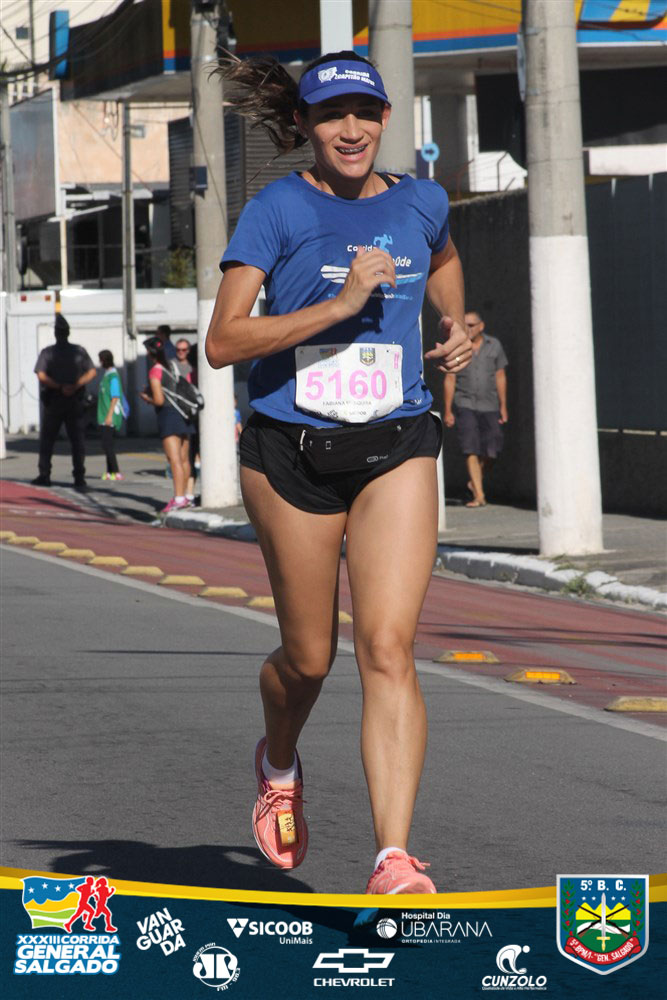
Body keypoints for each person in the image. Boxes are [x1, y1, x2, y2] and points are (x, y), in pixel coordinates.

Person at [206, 51, 472, 894]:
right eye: (330, 116)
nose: (349, 129)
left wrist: (456, 322)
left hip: (396, 440)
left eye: (363, 112)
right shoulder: (276, 209)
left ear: (385, 117)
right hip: (291, 451)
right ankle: (278, 763)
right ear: (305, 126)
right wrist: (338, 305)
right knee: (310, 659)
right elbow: (223, 341)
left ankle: (393, 857)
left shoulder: (421, 199)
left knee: (387, 647)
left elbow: (442, 260)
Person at [444, 310, 508, 508]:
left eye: (471, 325)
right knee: (470, 447)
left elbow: (500, 376)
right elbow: (450, 378)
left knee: (493, 449)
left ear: (481, 326)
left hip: (490, 404)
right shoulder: (457, 345)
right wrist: (448, 409)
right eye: (464, 325)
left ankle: (475, 481)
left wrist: (503, 405)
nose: (468, 328)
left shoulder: (494, 345)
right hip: (465, 403)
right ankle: (479, 495)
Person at [32, 313, 97, 491]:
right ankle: (79, 477)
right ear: (68, 333)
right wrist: (75, 386)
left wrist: (60, 387)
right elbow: (92, 372)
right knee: (77, 441)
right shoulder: (80, 351)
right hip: (75, 401)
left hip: (54, 401)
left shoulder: (48, 352)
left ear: (56, 333)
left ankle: (45, 475)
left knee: (48, 440)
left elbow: (41, 375)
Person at [140, 336, 194, 513]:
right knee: (185, 459)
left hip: (169, 417)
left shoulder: (155, 371)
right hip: (184, 414)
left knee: (174, 459)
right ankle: (186, 496)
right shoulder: (172, 366)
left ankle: (178, 498)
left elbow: (159, 400)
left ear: (150, 353)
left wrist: (146, 397)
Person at [97, 350, 125, 482]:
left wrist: (109, 416)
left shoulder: (113, 376)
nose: (99, 362)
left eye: (101, 359)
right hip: (103, 414)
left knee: (107, 445)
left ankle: (116, 471)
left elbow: (115, 397)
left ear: (104, 360)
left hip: (109, 415)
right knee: (106, 444)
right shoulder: (107, 375)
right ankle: (109, 472)